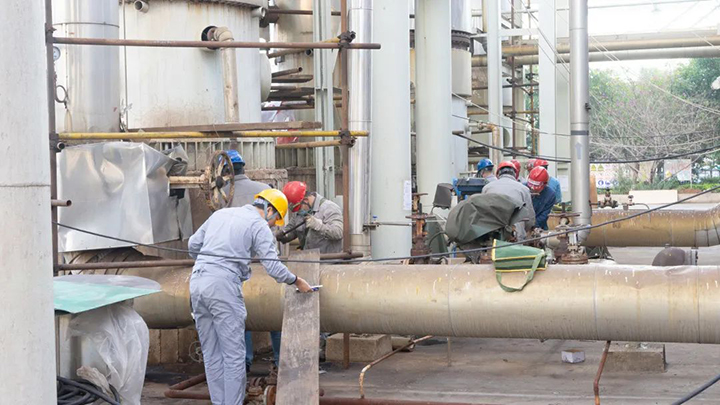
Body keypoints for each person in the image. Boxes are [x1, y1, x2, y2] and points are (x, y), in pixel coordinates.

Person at [188, 188, 313, 405]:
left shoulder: (220, 214)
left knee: (211, 353)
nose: (272, 226)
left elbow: (192, 245)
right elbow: (273, 267)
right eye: (275, 221)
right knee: (233, 355)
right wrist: (296, 280)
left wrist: (209, 263)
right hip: (223, 287)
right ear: (270, 210)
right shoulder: (258, 225)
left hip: (197, 282)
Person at [223, 150, 282, 374]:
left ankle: (244, 363)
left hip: (238, 264)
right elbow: (277, 225)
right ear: (243, 167)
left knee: (241, 315)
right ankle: (280, 361)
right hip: (266, 260)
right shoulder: (264, 190)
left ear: (225, 170)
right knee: (275, 313)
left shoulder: (223, 194)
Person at [275, 182, 343, 253]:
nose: (298, 211)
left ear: (305, 200)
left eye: (299, 208)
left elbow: (338, 232)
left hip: (328, 258)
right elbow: (292, 229)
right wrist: (284, 235)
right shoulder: (299, 211)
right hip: (309, 257)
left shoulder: (329, 208)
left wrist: (319, 226)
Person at [482, 161, 535, 240]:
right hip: (517, 236)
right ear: (515, 174)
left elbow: (482, 214)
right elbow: (530, 218)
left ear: (498, 174)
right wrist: (523, 230)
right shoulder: (524, 189)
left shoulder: (487, 188)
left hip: (492, 236)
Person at [526, 166, 556, 230]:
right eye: (530, 187)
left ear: (545, 184)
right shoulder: (522, 188)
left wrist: (533, 226)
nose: (532, 189)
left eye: (536, 188)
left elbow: (544, 215)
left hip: (540, 227)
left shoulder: (550, 194)